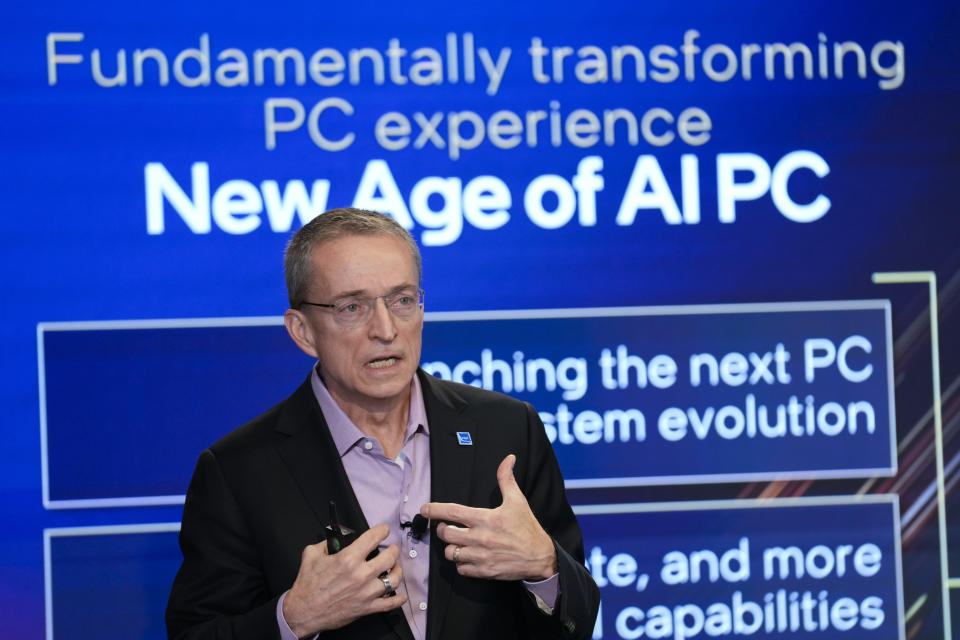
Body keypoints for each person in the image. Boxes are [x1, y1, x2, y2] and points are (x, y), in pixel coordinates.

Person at [166, 208, 600, 640]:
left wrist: (544, 566)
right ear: (303, 331)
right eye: (352, 307)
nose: (386, 329)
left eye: (402, 300)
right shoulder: (238, 471)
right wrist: (295, 617)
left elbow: (578, 616)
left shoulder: (506, 429)